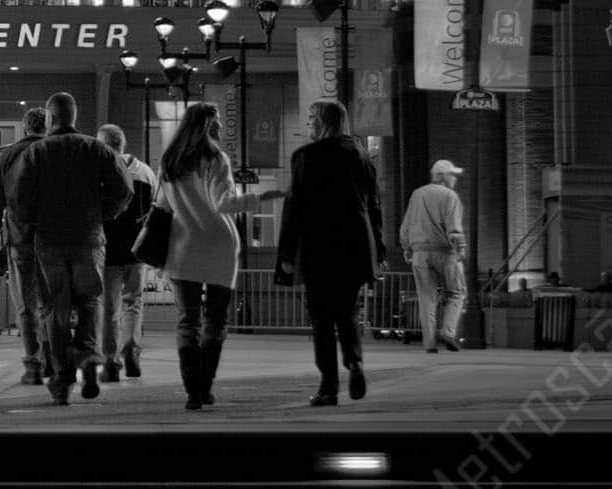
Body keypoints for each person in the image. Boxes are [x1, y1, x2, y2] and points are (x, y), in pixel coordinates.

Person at [154, 102, 286, 410]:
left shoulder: (169, 161)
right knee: (215, 319)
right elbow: (224, 203)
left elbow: (163, 204)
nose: (220, 129)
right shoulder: (215, 159)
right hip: (218, 249)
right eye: (215, 125)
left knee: (188, 321)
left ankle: (192, 391)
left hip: (182, 248)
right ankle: (204, 386)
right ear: (201, 126)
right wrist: (263, 197)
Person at [13, 92, 132, 406]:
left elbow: (20, 199)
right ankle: (89, 356)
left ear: (51, 118)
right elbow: (124, 189)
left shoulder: (37, 152)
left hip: (49, 242)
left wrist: (32, 223)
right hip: (89, 239)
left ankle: (63, 378)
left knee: (56, 308)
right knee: (90, 300)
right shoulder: (95, 148)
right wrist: (103, 213)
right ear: (74, 117)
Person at [277, 99, 384, 408]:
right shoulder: (361, 155)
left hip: (318, 244)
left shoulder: (305, 157)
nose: (307, 125)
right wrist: (379, 247)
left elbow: (293, 209)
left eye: (311, 119)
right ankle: (355, 361)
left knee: (321, 318)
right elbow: (374, 205)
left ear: (323, 121)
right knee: (348, 310)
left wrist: (286, 252)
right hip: (355, 244)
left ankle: (328, 385)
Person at [0, 107, 52, 384]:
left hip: (20, 238)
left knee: (26, 304)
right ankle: (54, 358)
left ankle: (33, 364)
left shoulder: (9, 156)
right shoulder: (56, 150)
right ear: (48, 126)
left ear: (25, 128)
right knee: (52, 303)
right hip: (55, 239)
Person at [96, 123, 155, 381]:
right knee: (134, 302)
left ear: (102, 144)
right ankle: (131, 349)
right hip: (137, 251)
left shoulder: (98, 172)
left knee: (108, 307)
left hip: (107, 251)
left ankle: (110, 361)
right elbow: (156, 210)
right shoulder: (145, 172)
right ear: (122, 143)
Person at [399, 159, 468, 354]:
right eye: (452, 175)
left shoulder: (417, 194)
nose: (455, 178)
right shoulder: (450, 196)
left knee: (426, 298)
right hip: (444, 252)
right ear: (442, 176)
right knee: (456, 292)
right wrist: (460, 248)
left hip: (420, 253)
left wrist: (407, 247)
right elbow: (454, 228)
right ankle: (447, 331)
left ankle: (429, 343)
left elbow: (406, 225)